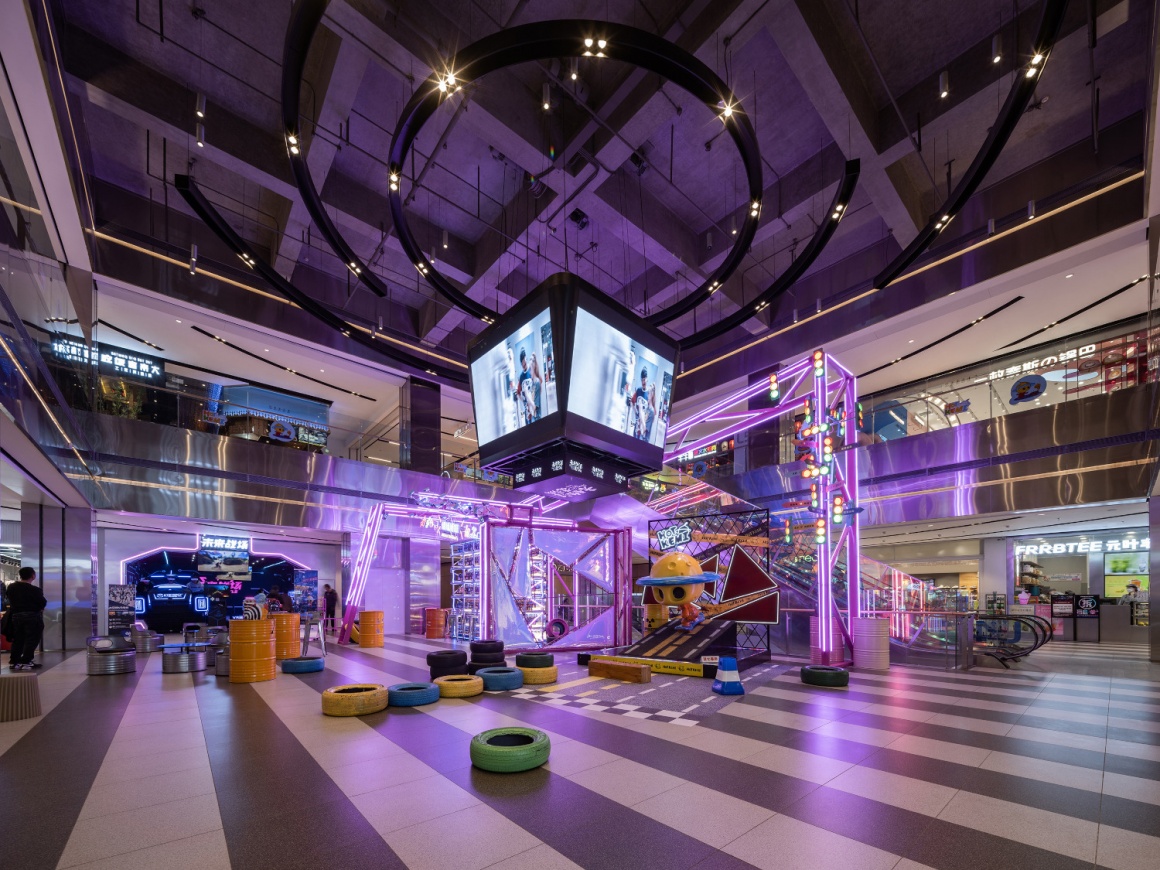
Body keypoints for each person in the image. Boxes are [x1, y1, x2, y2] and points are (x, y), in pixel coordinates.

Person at [7, 567, 47, 671]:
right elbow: (42, 602)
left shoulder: (11, 587)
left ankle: (14, 662)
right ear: (33, 576)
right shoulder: (35, 590)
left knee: (18, 639)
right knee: (32, 639)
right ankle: (26, 661)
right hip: (32, 617)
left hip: (16, 616)